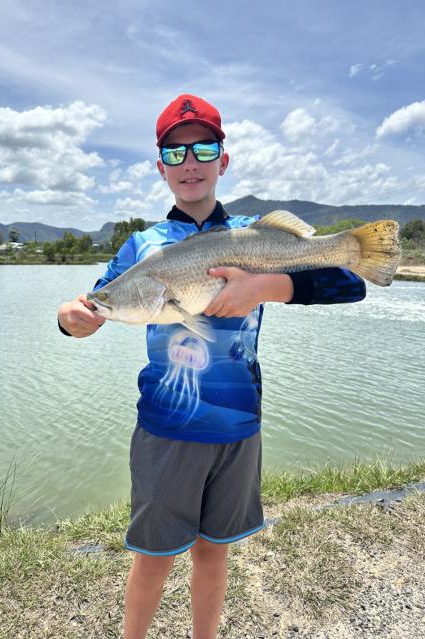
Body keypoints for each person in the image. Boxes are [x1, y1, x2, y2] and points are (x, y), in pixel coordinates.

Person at [57, 94, 366, 639]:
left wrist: (264, 286)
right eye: (174, 153)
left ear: (223, 160)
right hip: (166, 430)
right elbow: (95, 301)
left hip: (238, 428)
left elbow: (351, 282)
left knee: (214, 553)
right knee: (153, 558)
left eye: (203, 149)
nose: (189, 162)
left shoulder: (254, 233)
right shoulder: (142, 247)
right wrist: (70, 319)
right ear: (161, 168)